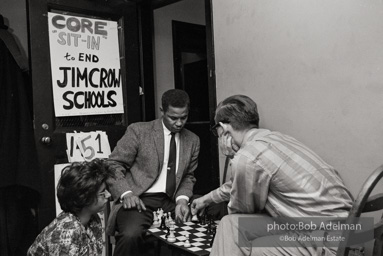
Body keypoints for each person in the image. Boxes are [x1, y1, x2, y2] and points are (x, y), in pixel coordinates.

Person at [191, 95, 353, 256]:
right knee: (229, 226)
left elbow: (241, 213)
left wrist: (234, 158)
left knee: (238, 234)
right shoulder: (276, 139)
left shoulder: (246, 158)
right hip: (348, 230)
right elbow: (242, 182)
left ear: (224, 129)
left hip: (326, 241)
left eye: (216, 131)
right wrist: (205, 200)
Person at [106, 89, 200, 255]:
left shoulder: (193, 140)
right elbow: (113, 165)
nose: (179, 123)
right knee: (130, 236)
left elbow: (188, 176)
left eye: (183, 117)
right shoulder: (139, 131)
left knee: (195, 234)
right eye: (173, 118)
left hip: (171, 201)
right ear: (162, 111)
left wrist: (182, 200)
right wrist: (126, 193)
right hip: (139, 199)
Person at [27, 159, 114, 256]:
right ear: (85, 198)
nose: (108, 195)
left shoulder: (93, 219)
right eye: (102, 193)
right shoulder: (67, 232)